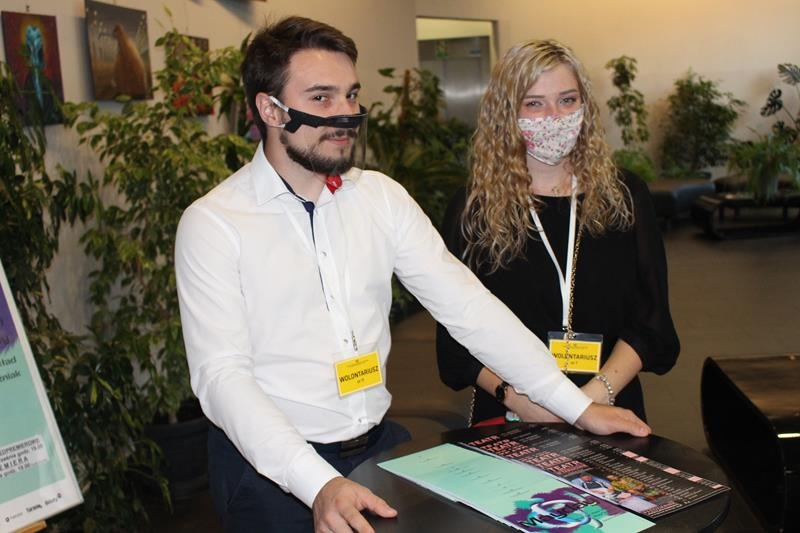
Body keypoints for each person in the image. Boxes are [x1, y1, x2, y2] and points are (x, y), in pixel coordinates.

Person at [175, 19, 650, 533]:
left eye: (351, 95)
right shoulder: (216, 223)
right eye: (322, 97)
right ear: (271, 109)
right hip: (271, 473)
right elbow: (222, 376)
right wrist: (317, 482)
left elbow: (468, 308)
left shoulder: (380, 198)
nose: (345, 115)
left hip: (375, 450)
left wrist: (576, 407)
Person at [436, 39, 679, 426]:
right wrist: (518, 400)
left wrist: (589, 400)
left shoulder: (624, 195)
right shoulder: (473, 209)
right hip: (514, 412)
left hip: (610, 401)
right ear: (506, 113)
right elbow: (455, 338)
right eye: (535, 104)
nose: (555, 116)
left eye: (567, 100)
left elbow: (651, 321)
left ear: (585, 105)